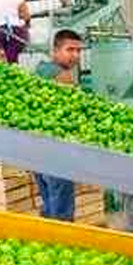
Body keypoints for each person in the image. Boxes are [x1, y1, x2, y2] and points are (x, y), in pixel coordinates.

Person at [33, 30, 84, 221]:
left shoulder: (40, 69)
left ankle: (49, 241)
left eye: (79, 51)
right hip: (56, 149)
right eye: (70, 50)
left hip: (36, 148)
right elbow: (73, 115)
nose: (76, 55)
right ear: (55, 51)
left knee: (49, 201)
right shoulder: (63, 77)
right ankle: (62, 241)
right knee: (62, 207)